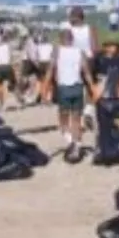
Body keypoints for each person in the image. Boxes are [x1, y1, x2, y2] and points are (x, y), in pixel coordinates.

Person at [44, 28, 95, 158]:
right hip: (77, 88)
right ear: (72, 39)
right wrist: (93, 88)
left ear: (61, 39)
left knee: (63, 119)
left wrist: (45, 89)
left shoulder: (57, 51)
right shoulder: (80, 52)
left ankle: (71, 141)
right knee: (77, 119)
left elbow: (50, 70)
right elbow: (87, 73)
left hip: (64, 89)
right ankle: (77, 146)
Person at [0, 31, 16, 109]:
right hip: (7, 66)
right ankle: (18, 100)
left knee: (0, 86)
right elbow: (11, 57)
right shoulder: (8, 46)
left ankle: (1, 103)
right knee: (13, 83)